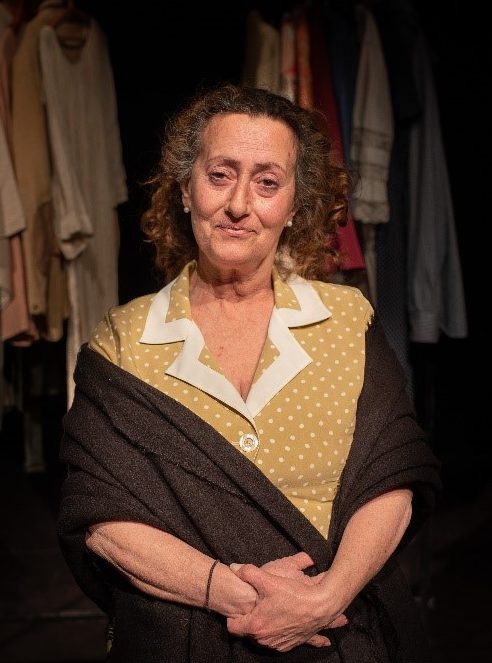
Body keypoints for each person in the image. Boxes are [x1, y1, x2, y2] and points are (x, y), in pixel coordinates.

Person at [57, 83, 441, 662]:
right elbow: (101, 516)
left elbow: (393, 480)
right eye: (220, 175)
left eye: (267, 183)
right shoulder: (124, 340)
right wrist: (244, 599)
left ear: (294, 205)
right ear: (185, 189)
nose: (239, 204)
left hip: (341, 635)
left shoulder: (347, 320)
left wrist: (324, 598)